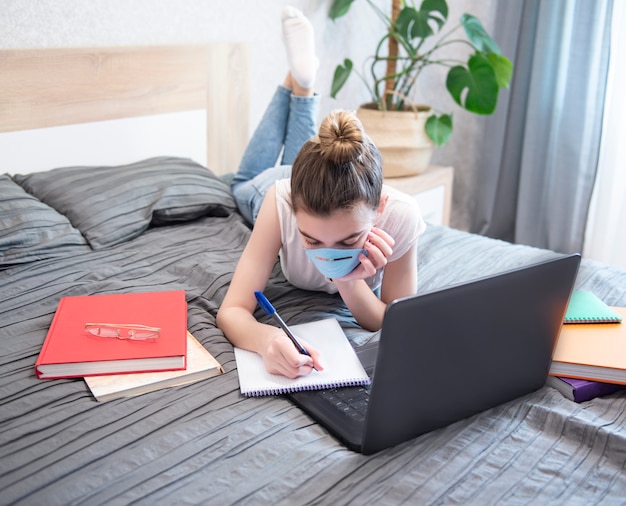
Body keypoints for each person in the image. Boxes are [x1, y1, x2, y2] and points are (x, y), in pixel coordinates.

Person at [216, 6, 426, 379]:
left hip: (315, 178)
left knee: (301, 156)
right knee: (240, 181)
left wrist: (349, 282)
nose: (329, 252)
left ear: (379, 207)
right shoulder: (278, 202)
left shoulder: (401, 216)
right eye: (311, 239)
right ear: (294, 213)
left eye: (348, 240)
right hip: (275, 182)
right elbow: (232, 311)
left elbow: (393, 322)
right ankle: (298, 83)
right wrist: (266, 341)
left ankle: (299, 81)